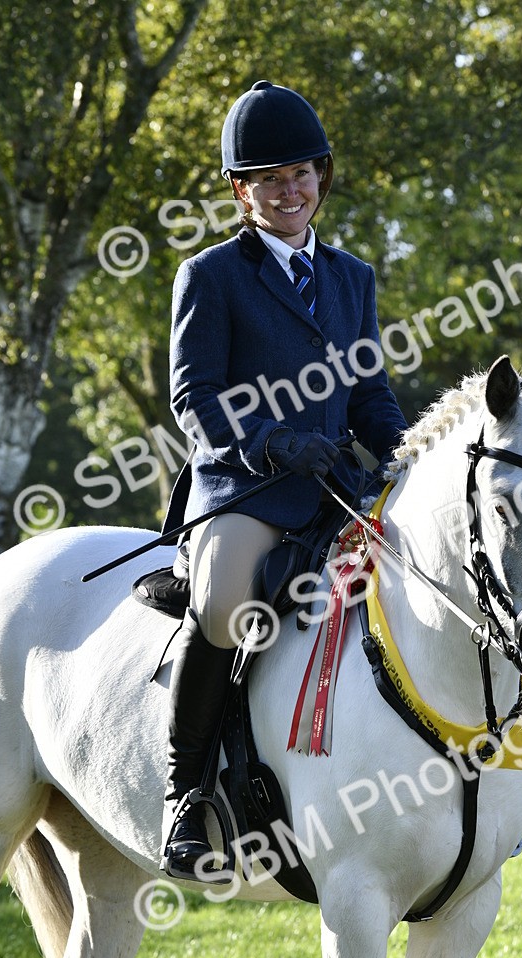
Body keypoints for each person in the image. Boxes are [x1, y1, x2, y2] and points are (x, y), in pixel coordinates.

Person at [159, 80, 408, 880]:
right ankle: (186, 794)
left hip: (334, 492)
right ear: (242, 192)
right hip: (247, 490)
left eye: (299, 173)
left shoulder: (352, 277)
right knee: (224, 604)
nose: (288, 190)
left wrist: (407, 453)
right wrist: (270, 443)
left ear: (320, 176)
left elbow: (368, 395)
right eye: (268, 179)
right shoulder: (210, 275)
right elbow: (194, 398)